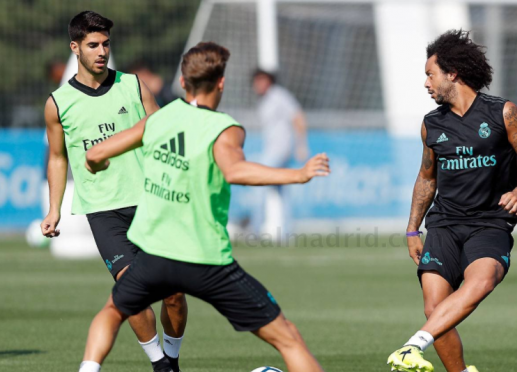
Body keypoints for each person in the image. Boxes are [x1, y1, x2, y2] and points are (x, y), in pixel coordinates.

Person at [79, 42, 330, 372]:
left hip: (155, 257)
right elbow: (236, 171)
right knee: (288, 339)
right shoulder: (225, 129)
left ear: (183, 83)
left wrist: (96, 166)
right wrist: (298, 174)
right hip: (206, 260)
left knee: (111, 313)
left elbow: (94, 155)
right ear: (221, 83)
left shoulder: (160, 118)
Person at [387, 30, 517, 372]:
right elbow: (427, 178)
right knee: (435, 308)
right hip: (444, 224)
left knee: (482, 281)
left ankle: (411, 347)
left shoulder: (504, 113)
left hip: (490, 222)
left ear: (452, 73)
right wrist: (413, 229)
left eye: (430, 74)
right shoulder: (431, 125)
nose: (426, 83)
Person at [40, 11, 188, 372]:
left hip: (150, 204)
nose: (102, 51)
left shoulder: (133, 86)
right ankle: (161, 366)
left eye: (106, 43)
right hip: (104, 211)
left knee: (174, 296)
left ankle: (173, 355)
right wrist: (53, 208)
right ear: (75, 48)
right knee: (133, 295)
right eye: (93, 45)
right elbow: (58, 158)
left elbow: (163, 132)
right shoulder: (58, 104)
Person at [250, 69, 309, 237]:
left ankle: (254, 229)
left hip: (280, 151)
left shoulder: (278, 96)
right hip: (274, 150)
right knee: (283, 193)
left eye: (262, 80)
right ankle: (287, 233)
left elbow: (298, 117)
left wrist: (301, 145)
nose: (258, 84)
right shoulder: (265, 100)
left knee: (258, 184)